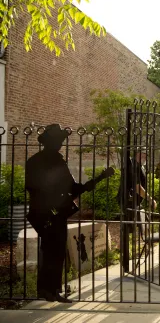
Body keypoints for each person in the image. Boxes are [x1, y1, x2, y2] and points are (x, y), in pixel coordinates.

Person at [25, 124, 97, 303]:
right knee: (53, 250)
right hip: (48, 213)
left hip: (51, 212)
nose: (61, 143)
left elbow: (71, 187)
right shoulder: (41, 161)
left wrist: (91, 184)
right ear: (51, 142)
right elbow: (33, 187)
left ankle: (48, 289)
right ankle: (50, 290)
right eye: (59, 140)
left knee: (53, 250)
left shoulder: (51, 160)